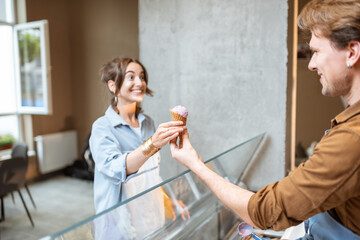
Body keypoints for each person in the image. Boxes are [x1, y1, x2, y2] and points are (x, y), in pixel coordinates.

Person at [170, 0, 360, 239]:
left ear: (352, 53)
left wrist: (194, 163)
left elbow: (265, 212)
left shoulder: (351, 139)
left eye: (316, 51)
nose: (311, 64)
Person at [89, 57, 188, 239]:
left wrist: (167, 202)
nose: (139, 83)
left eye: (142, 77)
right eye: (131, 77)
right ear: (113, 86)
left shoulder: (148, 123)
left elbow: (150, 175)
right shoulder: (102, 127)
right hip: (118, 225)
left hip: (149, 220)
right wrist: (153, 144)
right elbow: (116, 169)